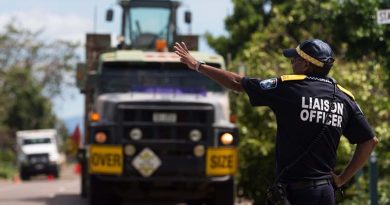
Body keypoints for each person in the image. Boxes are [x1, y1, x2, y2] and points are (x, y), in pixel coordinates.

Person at [174, 39, 378, 205]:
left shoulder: (288, 88)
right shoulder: (344, 98)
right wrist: (342, 179)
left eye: (295, 59)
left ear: (306, 64)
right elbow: (369, 141)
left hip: (294, 194)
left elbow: (237, 82)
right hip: (325, 193)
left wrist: (197, 65)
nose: (291, 63)